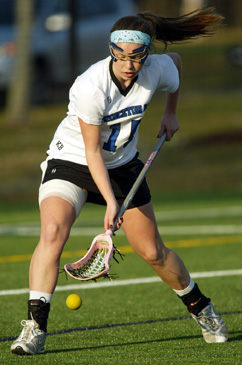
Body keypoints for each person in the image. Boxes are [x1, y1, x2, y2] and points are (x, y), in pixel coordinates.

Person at [11, 8, 228, 355]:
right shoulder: (90, 86)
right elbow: (93, 151)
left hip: (124, 166)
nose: (128, 65)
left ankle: (203, 310)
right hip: (73, 161)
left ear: (146, 54)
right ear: (111, 51)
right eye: (120, 55)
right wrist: (111, 202)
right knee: (53, 232)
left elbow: (177, 62)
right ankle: (34, 328)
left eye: (136, 57)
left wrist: (171, 112)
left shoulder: (157, 70)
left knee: (153, 252)